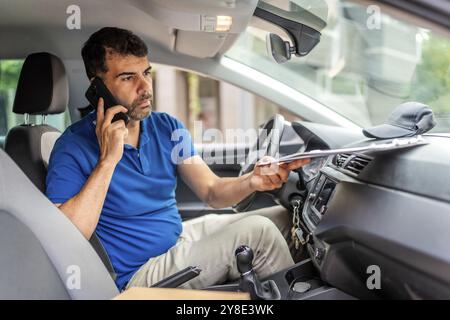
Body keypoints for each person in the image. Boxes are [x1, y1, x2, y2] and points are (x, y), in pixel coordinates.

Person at [46, 27, 310, 291]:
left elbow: (211, 191)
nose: (145, 87)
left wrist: (252, 181)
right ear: (97, 88)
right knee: (259, 232)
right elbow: (68, 236)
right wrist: (107, 161)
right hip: (138, 274)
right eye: (128, 78)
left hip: (177, 241)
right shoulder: (72, 146)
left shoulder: (166, 127)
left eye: (146, 73)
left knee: (284, 218)